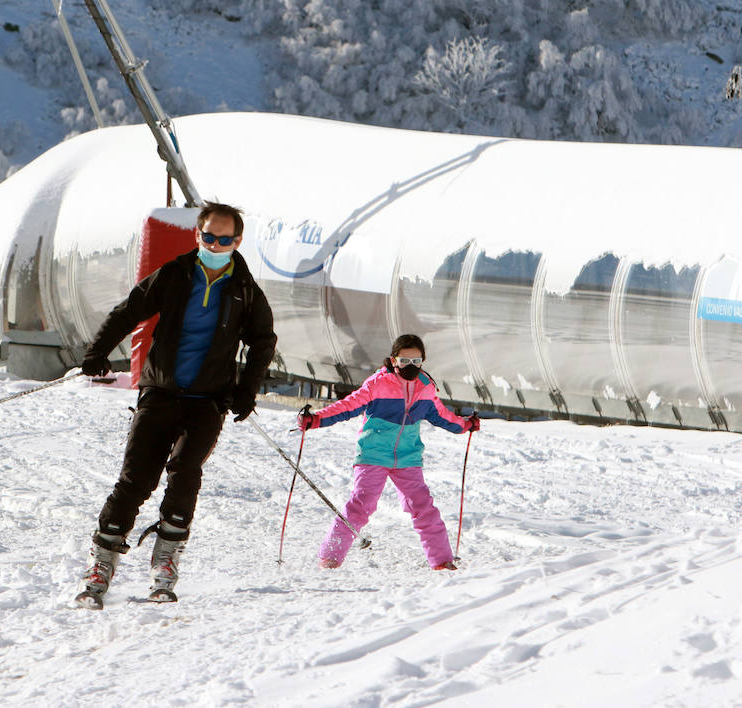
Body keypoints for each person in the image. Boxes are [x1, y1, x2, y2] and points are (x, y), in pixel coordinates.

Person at [74, 200, 277, 607]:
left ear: (238, 241)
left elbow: (263, 341)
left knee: (185, 473)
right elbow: (128, 311)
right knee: (137, 479)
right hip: (161, 392)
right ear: (196, 235)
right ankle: (102, 564)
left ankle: (165, 562)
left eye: (225, 239)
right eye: (209, 236)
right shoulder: (174, 275)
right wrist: (97, 352)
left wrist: (246, 389)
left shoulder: (245, 291)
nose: (216, 245)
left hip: (208, 400)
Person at [296, 333, 479, 572]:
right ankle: (330, 556)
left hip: (407, 456)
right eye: (405, 361)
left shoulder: (426, 387)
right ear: (394, 360)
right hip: (373, 453)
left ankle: (442, 560)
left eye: (416, 362)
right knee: (361, 505)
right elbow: (348, 406)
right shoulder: (378, 383)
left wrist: (465, 425)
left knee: (423, 506)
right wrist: (316, 419)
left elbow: (441, 415)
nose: (410, 367)